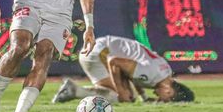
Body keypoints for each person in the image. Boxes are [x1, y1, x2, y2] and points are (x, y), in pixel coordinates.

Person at [52, 35, 195, 104]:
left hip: (97, 49)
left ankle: (73, 90)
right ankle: (74, 90)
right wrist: (121, 91)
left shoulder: (165, 72)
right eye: (167, 99)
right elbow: (113, 61)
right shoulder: (153, 73)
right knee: (118, 96)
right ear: (169, 91)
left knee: (127, 96)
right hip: (99, 53)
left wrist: (143, 97)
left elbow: (136, 75)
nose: (162, 100)